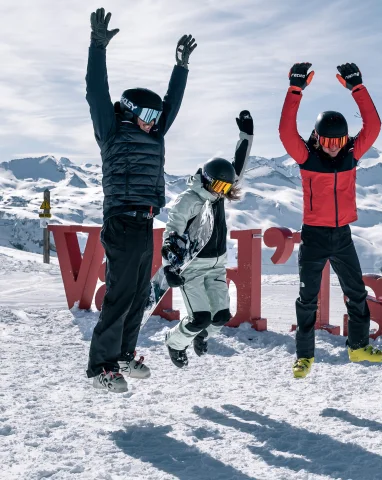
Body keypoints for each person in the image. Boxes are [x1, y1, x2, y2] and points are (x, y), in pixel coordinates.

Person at [85, 7, 196, 392]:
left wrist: (180, 68)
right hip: (121, 221)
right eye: (149, 114)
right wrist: (97, 47)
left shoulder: (154, 134)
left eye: (157, 114)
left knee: (139, 295)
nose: (156, 119)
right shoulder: (112, 131)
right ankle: (100, 367)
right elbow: (95, 91)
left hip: (145, 220)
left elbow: (173, 104)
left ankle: (123, 356)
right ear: (130, 112)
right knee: (120, 294)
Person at [279, 61, 382, 378]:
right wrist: (295, 89)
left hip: (342, 236)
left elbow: (374, 125)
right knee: (307, 299)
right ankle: (304, 356)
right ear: (316, 138)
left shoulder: (352, 154)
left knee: (357, 293)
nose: (332, 147)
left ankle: (358, 346)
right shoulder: (306, 157)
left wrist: (358, 88)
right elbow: (286, 130)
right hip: (313, 236)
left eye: (338, 141)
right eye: (326, 141)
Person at [162, 111, 253, 368]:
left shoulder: (218, 194)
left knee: (221, 316)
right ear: (206, 180)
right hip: (192, 268)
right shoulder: (189, 200)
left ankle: (201, 336)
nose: (221, 193)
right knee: (199, 317)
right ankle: (175, 342)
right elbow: (173, 231)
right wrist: (169, 265)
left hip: (216, 266)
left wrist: (246, 135)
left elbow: (239, 166)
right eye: (218, 187)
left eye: (226, 189)